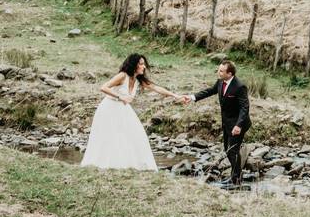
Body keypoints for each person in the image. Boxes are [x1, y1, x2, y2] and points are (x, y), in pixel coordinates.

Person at [81, 53, 184, 170]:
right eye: (141, 64)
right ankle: (108, 165)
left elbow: (156, 88)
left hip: (123, 110)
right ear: (133, 65)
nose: (144, 67)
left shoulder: (138, 80)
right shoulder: (122, 76)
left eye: (144, 64)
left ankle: (130, 165)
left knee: (137, 134)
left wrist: (175, 95)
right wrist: (121, 97)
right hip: (109, 108)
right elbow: (104, 87)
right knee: (112, 137)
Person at [183, 59, 251, 187]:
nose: (218, 72)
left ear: (230, 74)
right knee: (227, 149)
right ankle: (235, 177)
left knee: (232, 150)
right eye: (219, 70)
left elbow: (244, 108)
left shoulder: (240, 86)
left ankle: (236, 180)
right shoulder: (221, 82)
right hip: (226, 123)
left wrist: (238, 125)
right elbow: (210, 91)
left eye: (221, 71)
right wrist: (192, 97)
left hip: (238, 125)